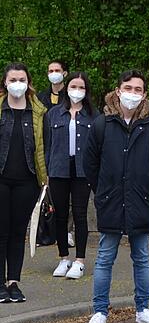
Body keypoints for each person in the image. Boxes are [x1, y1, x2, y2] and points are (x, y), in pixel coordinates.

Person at [82, 70, 149, 323]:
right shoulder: (102, 124)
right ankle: (99, 311)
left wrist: (142, 189)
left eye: (138, 89)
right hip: (110, 200)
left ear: (144, 95)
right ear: (118, 91)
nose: (132, 94)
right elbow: (90, 163)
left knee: (141, 257)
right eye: (128, 88)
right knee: (105, 257)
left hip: (140, 200)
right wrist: (105, 191)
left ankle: (143, 309)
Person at [0, 63, 48, 303]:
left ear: (28, 83)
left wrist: (44, 180)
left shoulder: (38, 111)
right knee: (1, 232)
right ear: (5, 83)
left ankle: (13, 282)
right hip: (1, 180)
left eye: (22, 79)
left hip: (27, 181)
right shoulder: (0, 110)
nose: (17, 83)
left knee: (19, 232)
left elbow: (43, 147)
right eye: (13, 79)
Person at [43, 71, 97, 279]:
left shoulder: (93, 115)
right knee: (60, 215)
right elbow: (47, 145)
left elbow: (96, 147)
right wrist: (46, 172)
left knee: (81, 214)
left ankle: (80, 260)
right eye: (74, 86)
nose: (77, 91)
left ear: (86, 91)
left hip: (82, 171)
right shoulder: (54, 114)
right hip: (58, 170)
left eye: (81, 87)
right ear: (67, 88)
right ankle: (63, 257)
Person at [38, 60, 75, 247]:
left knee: (67, 194)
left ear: (64, 73)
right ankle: (44, 230)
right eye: (50, 70)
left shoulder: (69, 96)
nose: (54, 73)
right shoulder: (41, 96)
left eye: (57, 70)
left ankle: (68, 231)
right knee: (46, 192)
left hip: (64, 146)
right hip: (45, 143)